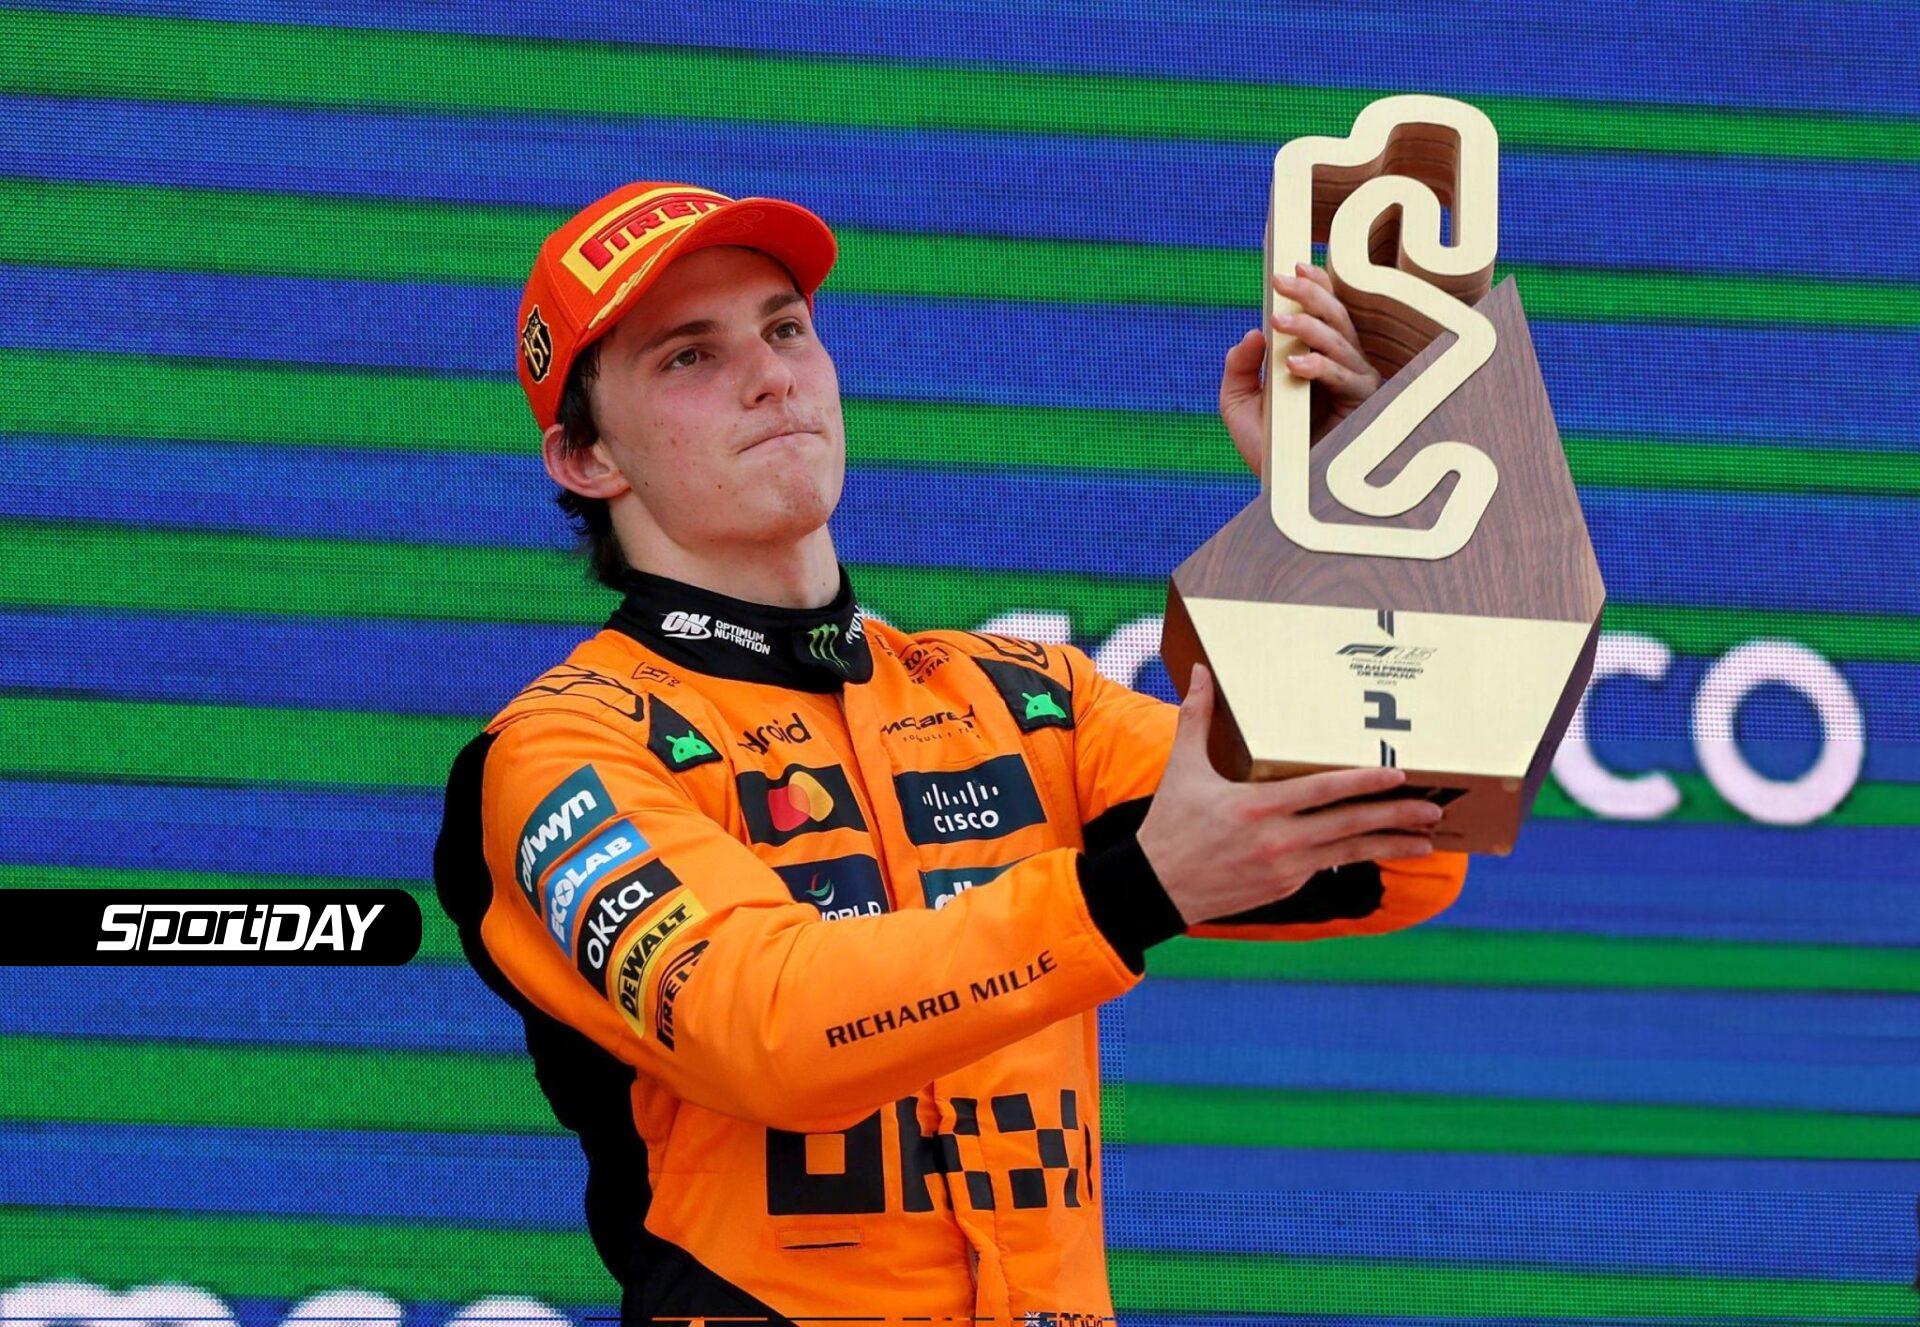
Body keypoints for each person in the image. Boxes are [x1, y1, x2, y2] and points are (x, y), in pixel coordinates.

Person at [432, 180, 1467, 1325]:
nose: (772, 376)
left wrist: (1331, 518)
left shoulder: (1021, 700)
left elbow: (1408, 849)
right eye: (690, 356)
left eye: (786, 329)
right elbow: (767, 1029)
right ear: (587, 458)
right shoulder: (562, 748)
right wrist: (1132, 891)